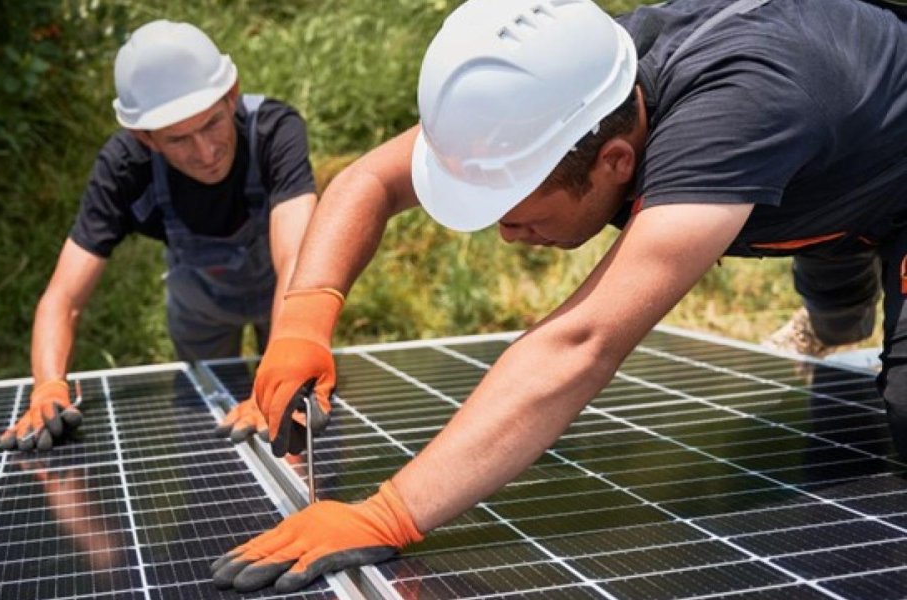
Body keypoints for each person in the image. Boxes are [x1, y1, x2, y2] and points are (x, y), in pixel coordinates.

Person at [205, 0, 907, 592]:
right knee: (838, 297)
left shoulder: (738, 117)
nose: (508, 236)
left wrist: (391, 512)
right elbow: (370, 181)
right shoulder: (566, 87)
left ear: (615, 163)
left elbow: (583, 342)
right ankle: (840, 311)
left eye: (517, 211)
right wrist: (304, 318)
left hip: (890, 176)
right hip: (829, 172)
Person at [0, 20, 317, 452]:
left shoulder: (275, 133)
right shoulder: (124, 170)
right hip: (199, 309)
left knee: (296, 415)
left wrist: (279, 380)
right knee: (209, 429)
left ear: (232, 94)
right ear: (144, 137)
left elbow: (299, 263)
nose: (206, 153)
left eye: (212, 124)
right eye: (179, 139)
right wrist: (48, 385)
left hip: (290, 295)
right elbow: (63, 299)